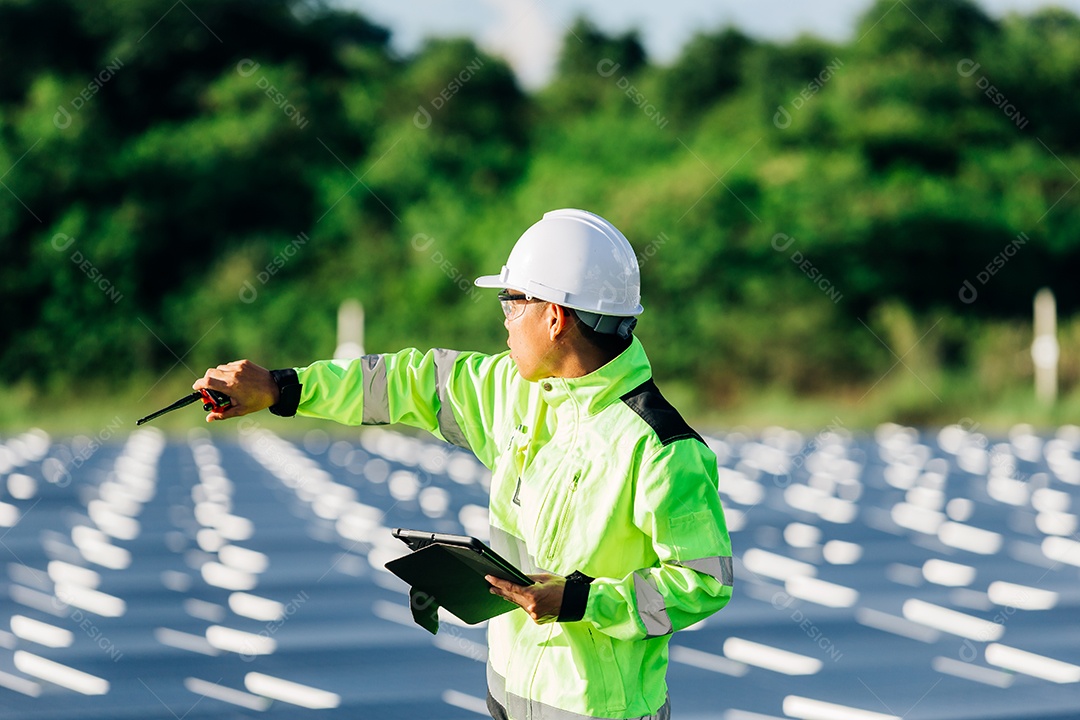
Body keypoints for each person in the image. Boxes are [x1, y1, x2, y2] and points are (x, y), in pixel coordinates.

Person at [194, 208, 733, 720]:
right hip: (508, 692)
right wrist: (282, 388)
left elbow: (704, 582)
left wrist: (581, 600)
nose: (504, 321)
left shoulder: (660, 446)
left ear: (554, 317)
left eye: (511, 301)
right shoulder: (516, 391)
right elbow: (403, 381)